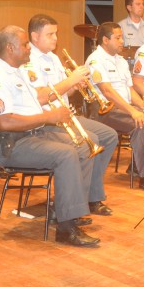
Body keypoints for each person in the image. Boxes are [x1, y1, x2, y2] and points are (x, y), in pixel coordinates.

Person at [0, 26, 99, 245]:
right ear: (10, 48)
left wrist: (56, 112)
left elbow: (34, 102)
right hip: (12, 145)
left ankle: (64, 210)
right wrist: (49, 117)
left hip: (33, 135)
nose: (28, 49)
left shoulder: (18, 71)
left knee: (83, 146)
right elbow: (5, 122)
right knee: (65, 154)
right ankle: (66, 229)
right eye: (25, 45)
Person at [24, 14, 119, 215]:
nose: (55, 38)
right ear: (34, 37)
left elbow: (64, 91)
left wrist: (76, 85)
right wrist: (71, 80)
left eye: (56, 34)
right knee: (89, 140)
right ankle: (80, 201)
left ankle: (89, 194)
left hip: (67, 116)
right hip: (48, 121)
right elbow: (41, 96)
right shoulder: (28, 60)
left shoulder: (54, 58)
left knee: (109, 136)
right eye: (50, 34)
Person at [85, 22, 144, 194]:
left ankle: (139, 165)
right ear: (105, 40)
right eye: (118, 37)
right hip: (105, 111)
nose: (122, 41)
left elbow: (129, 89)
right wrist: (133, 111)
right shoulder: (95, 60)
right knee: (140, 123)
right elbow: (107, 91)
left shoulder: (120, 61)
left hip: (123, 108)